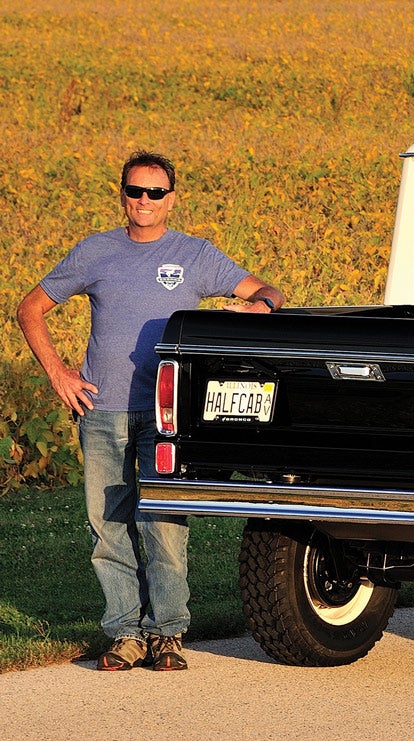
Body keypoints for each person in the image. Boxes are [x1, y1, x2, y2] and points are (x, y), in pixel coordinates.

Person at [16, 151, 285, 671]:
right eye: (135, 192)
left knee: (163, 522)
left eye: (155, 193)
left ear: (172, 199)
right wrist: (59, 374)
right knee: (108, 523)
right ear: (122, 195)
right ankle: (124, 633)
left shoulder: (195, 254)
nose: (145, 201)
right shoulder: (96, 251)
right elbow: (30, 308)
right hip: (101, 410)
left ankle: (166, 634)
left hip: (168, 414)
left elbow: (269, 290)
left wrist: (258, 307)